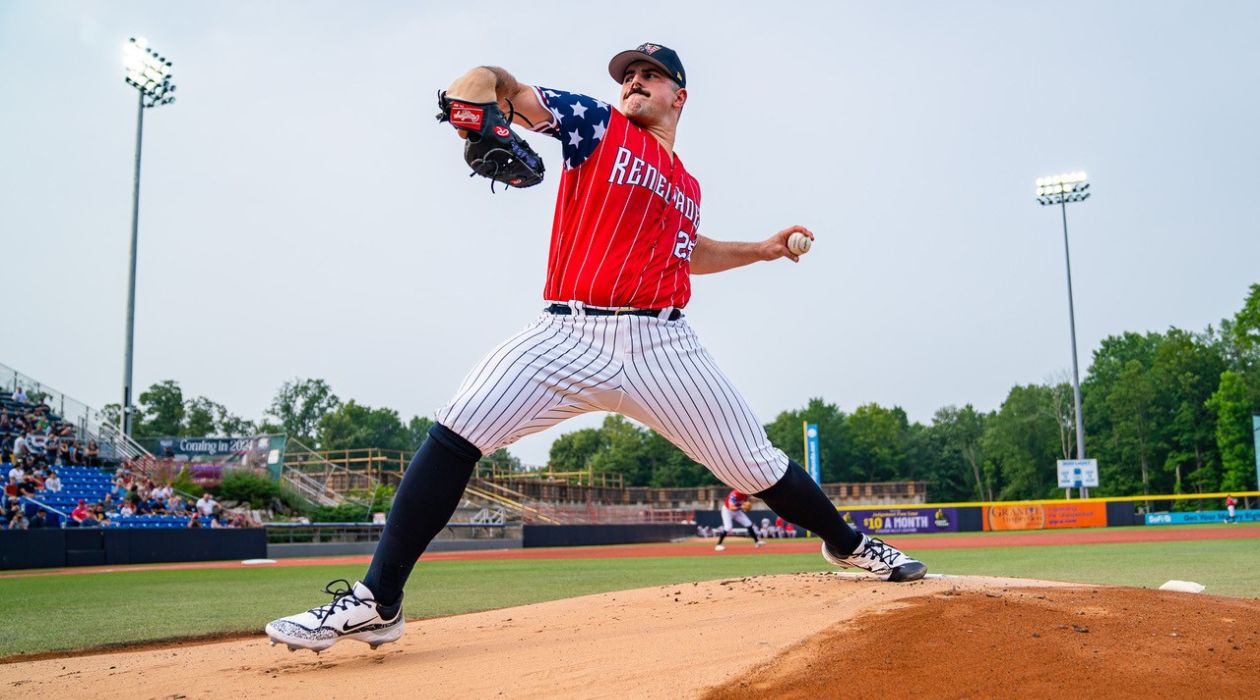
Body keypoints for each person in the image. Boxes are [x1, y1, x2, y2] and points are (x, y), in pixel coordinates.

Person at [265, 42, 925, 653]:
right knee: (456, 430)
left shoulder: (686, 185)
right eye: (628, 75)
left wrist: (762, 249)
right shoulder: (595, 124)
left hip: (663, 344)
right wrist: (474, 109)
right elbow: (496, 83)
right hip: (567, 333)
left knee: (754, 463)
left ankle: (848, 545)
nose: (634, 81)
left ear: (679, 96)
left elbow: (687, 252)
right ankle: (379, 601)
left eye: (649, 74)